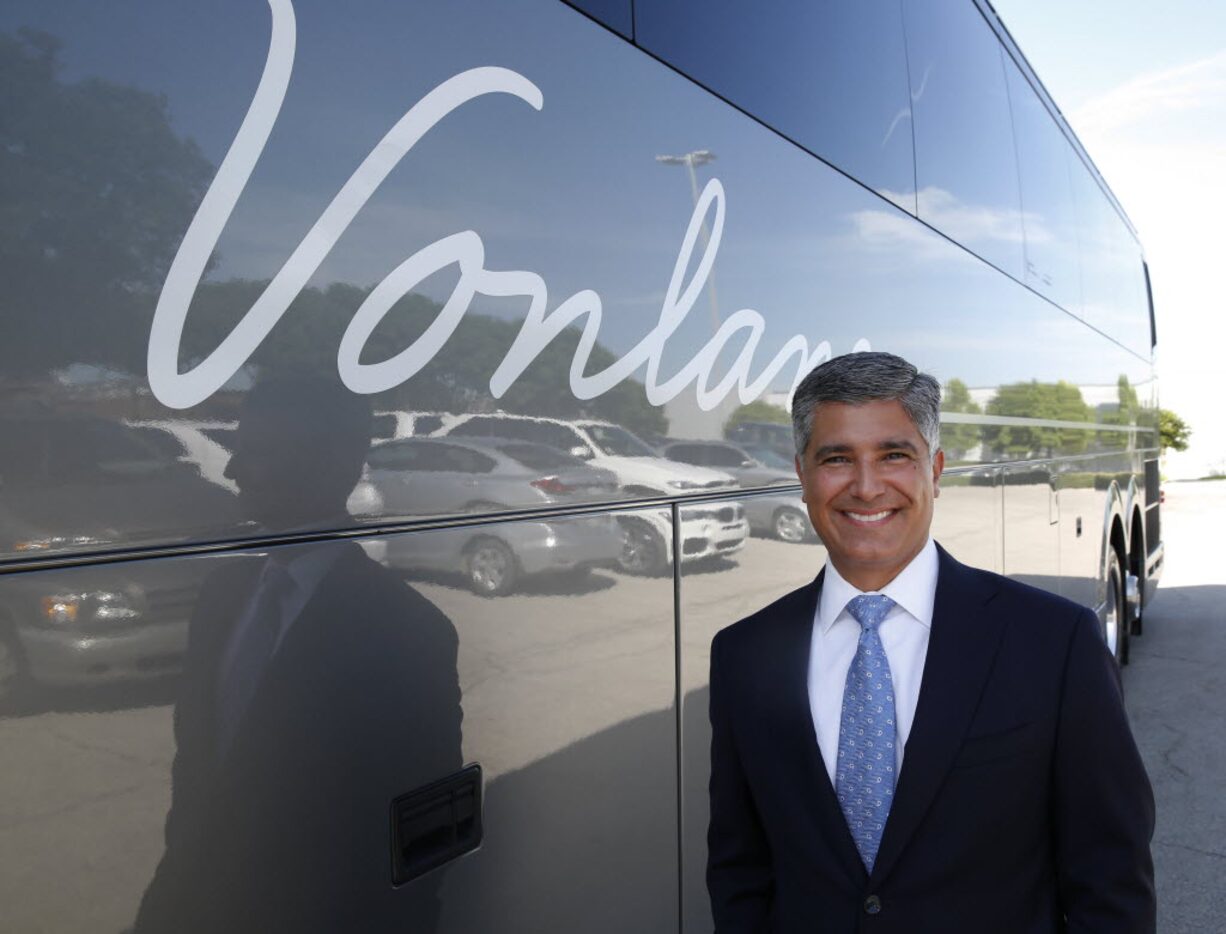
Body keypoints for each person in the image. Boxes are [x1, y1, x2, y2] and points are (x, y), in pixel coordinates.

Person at [706, 352, 1155, 933]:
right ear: (802, 474)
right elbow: (740, 871)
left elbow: (1111, 875)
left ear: (935, 469)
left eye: (894, 455)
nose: (866, 487)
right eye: (837, 458)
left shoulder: (1054, 642)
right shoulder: (744, 654)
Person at [135, 376, 462, 933]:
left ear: (333, 463)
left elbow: (423, 839)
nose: (234, 470)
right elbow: (196, 778)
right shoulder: (222, 597)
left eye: (256, 451)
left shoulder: (408, 632)